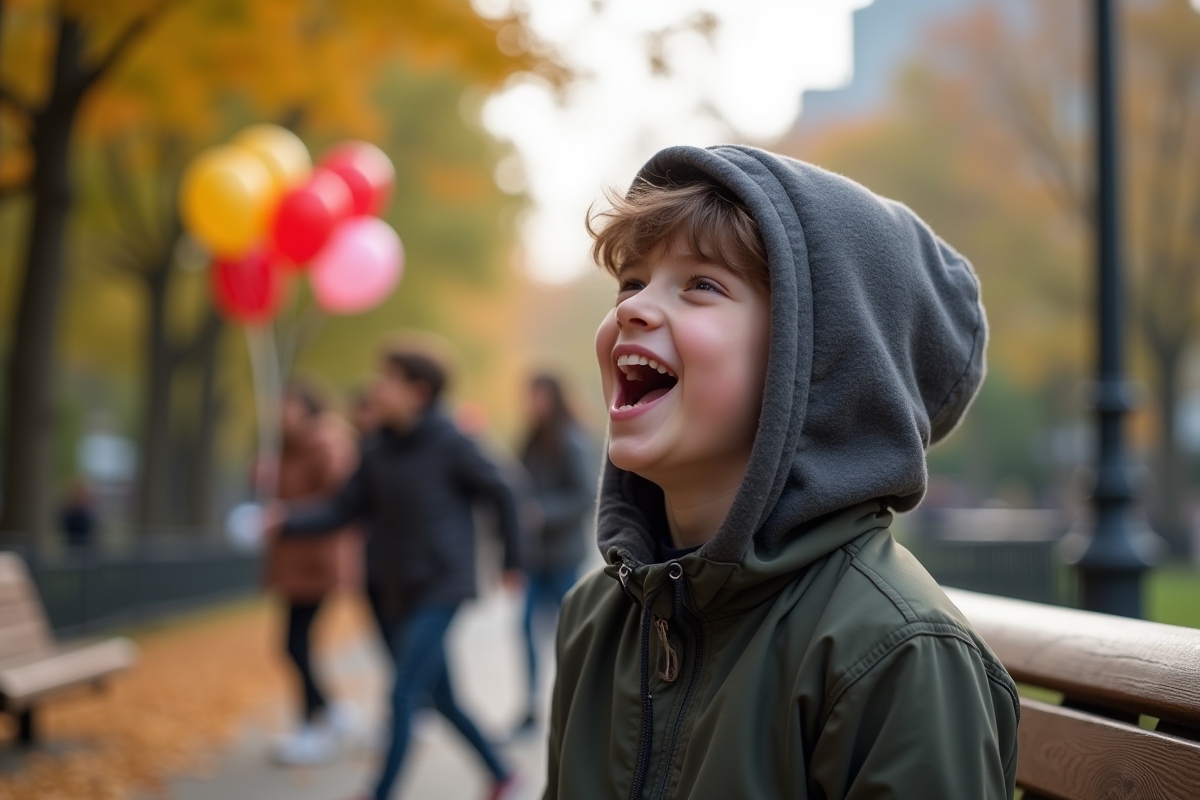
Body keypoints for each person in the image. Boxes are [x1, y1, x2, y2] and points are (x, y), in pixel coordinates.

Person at [544, 145, 1019, 799]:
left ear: (818, 365)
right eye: (631, 281)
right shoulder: (596, 617)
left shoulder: (895, 652)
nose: (633, 307)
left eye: (701, 285)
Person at [270, 344, 523, 800]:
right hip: (398, 588)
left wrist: (512, 560)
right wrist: (286, 520)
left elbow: (505, 492)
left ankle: (380, 792)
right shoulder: (377, 447)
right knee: (441, 696)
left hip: (443, 584)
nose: (378, 387)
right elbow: (342, 509)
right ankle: (503, 775)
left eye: (389, 379)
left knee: (402, 691)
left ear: (418, 392)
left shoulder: (451, 441)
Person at [262, 384, 359, 766]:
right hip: (293, 562)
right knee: (294, 644)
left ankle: (315, 724)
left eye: (287, 404)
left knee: (295, 644)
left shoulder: (326, 442)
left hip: (316, 562)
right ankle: (330, 713)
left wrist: (287, 517)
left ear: (306, 407)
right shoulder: (283, 447)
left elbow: (339, 498)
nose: (280, 412)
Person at [512, 374, 595, 735]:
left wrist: (543, 513)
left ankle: (576, 703)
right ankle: (530, 707)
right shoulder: (531, 439)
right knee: (525, 628)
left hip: (562, 555)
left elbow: (584, 495)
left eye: (538, 395)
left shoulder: (571, 439)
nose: (532, 402)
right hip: (534, 557)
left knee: (568, 631)